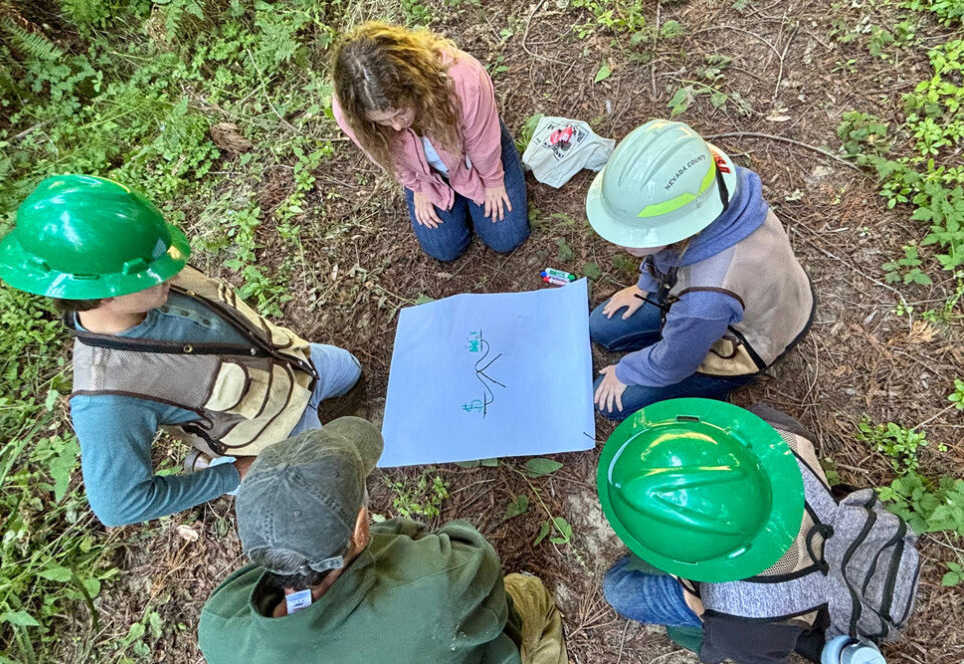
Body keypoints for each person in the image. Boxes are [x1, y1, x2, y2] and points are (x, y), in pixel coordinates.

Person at [0, 174, 362, 527]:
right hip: (271, 437)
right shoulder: (108, 397)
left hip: (297, 365)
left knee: (353, 371)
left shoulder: (156, 272)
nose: (172, 271)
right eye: (150, 274)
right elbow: (120, 505)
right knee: (343, 497)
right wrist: (235, 472)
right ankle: (224, 467)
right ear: (98, 294)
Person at [198, 417, 568, 664]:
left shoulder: (219, 625)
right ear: (361, 528)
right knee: (527, 593)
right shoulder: (437, 587)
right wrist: (391, 536)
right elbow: (471, 553)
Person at [597, 399, 920, 664]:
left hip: (788, 606)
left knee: (620, 589)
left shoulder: (743, 623)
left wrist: (696, 604)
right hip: (821, 548)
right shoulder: (777, 431)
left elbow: (722, 648)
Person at [584, 119, 814, 420]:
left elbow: (674, 364)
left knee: (606, 401)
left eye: (636, 234)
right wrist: (643, 288)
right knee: (601, 326)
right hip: (748, 302)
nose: (621, 242)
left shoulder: (705, 300)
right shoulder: (715, 192)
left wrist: (626, 371)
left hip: (749, 341)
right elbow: (667, 252)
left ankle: (718, 381)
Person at [331, 21, 529, 262]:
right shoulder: (350, 114)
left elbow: (482, 143)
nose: (396, 126)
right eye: (382, 121)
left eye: (400, 113)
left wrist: (493, 179)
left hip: (474, 155)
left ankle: (473, 190)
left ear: (415, 86)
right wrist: (417, 186)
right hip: (425, 173)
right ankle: (457, 196)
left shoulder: (462, 79)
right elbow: (387, 157)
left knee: (506, 236)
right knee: (443, 249)